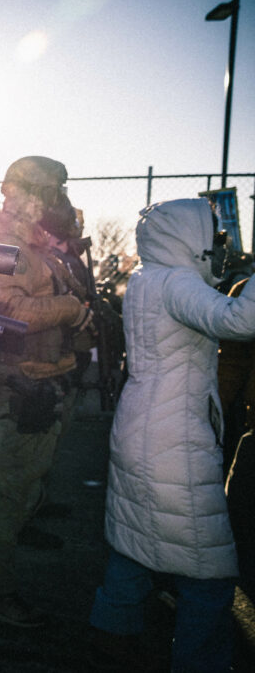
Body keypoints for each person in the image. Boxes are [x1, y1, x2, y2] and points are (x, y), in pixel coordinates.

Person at [88, 198, 255, 672]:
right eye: (212, 235)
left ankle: (111, 635)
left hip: (144, 423)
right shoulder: (177, 282)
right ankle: (201, 661)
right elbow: (237, 321)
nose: (218, 244)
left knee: (136, 540)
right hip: (172, 436)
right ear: (188, 237)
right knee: (207, 566)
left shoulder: (148, 278)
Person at [0, 156, 91, 627]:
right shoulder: (6, 246)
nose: (58, 202)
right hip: (24, 382)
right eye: (52, 192)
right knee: (13, 495)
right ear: (22, 193)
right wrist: (70, 309)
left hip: (33, 377)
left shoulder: (31, 244)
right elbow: (5, 310)